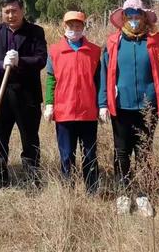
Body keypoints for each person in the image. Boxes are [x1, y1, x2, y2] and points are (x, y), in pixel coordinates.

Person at [99, 0, 159, 215]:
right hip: (121, 106)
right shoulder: (114, 43)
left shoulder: (155, 42)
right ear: (123, 18)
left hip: (147, 107)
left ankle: (143, 194)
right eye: (129, 15)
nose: (134, 19)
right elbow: (105, 74)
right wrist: (103, 103)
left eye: (137, 15)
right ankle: (123, 193)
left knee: (143, 151)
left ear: (144, 17)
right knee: (121, 152)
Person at [0, 0, 47, 193]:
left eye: (14, 11)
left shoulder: (35, 32)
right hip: (0, 94)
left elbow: (41, 59)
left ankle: (31, 178)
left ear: (22, 11)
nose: (11, 15)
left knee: (29, 138)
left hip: (26, 94)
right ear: (2, 13)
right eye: (6, 11)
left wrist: (21, 61)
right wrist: (1, 64)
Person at [44, 11, 101, 194]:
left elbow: (99, 81)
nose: (74, 30)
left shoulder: (94, 51)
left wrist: (102, 105)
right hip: (64, 111)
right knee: (67, 154)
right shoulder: (54, 51)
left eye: (78, 26)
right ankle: (68, 190)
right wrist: (49, 104)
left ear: (83, 27)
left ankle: (91, 190)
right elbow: (51, 79)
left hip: (87, 112)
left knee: (90, 154)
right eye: (71, 26)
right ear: (64, 26)